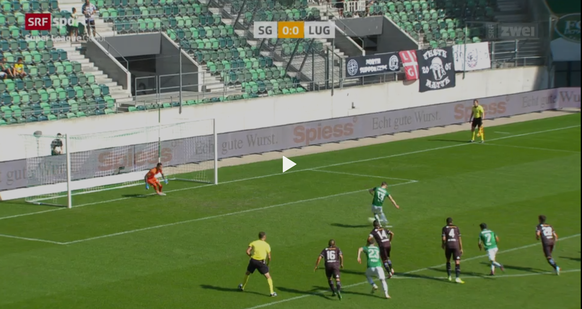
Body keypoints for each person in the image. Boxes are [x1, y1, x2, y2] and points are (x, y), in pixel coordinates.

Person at [238, 232, 277, 297]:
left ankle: (242, 287)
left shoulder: (253, 242)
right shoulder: (267, 245)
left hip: (253, 261)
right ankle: (272, 292)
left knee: (247, 273)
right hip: (261, 263)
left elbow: (247, 252)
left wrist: (252, 256)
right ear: (264, 237)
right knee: (268, 277)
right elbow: (269, 257)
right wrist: (267, 264)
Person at [442, 217, 464, 283]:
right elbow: (459, 238)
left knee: (448, 260)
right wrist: (461, 248)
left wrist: (443, 244)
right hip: (456, 246)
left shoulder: (444, 228)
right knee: (457, 261)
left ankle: (449, 276)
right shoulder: (456, 227)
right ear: (452, 221)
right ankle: (457, 278)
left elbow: (443, 238)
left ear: (447, 222)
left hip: (448, 245)